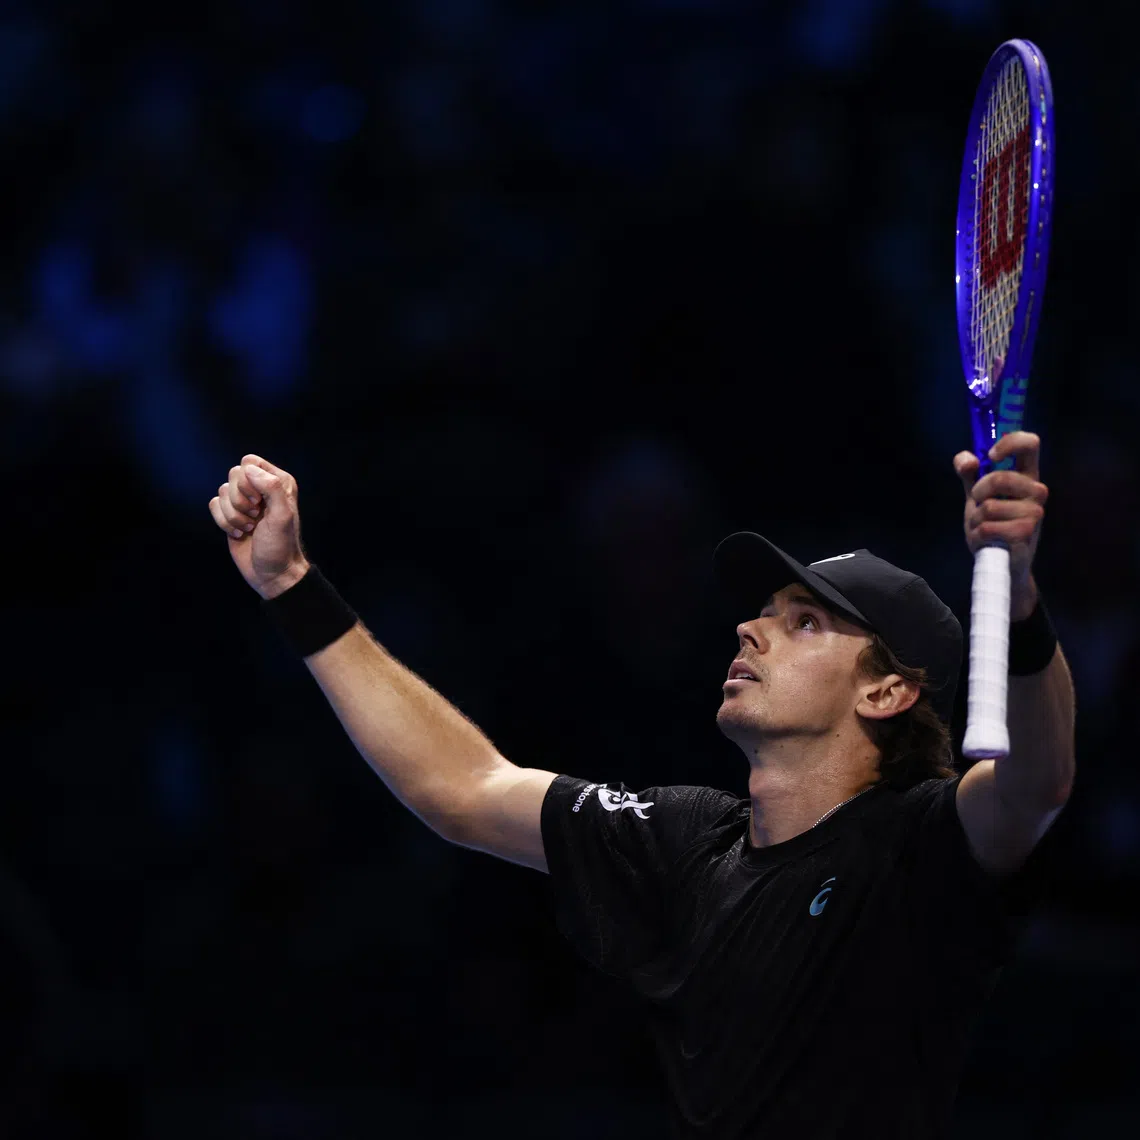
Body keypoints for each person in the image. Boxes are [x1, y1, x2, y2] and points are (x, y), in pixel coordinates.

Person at [207, 431, 1074, 1139]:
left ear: (887, 691)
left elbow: (1034, 782)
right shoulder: (684, 838)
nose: (751, 628)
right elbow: (464, 786)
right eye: (762, 613)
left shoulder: (919, 846)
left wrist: (1022, 598)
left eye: (803, 622)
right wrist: (290, 585)